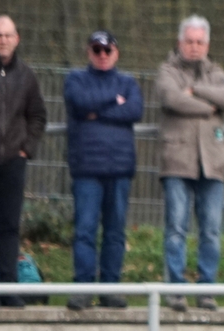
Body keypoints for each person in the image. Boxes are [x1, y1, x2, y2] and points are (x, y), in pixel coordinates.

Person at [156, 15, 224, 312]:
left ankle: (206, 290)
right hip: (177, 161)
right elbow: (171, 99)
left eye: (200, 42)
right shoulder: (167, 71)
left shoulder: (216, 71)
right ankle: (175, 291)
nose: (194, 46)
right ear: (180, 42)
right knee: (176, 228)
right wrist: (209, 108)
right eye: (190, 41)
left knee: (211, 231)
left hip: (212, 162)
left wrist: (196, 91)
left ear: (207, 44)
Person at [63, 31, 144, 311]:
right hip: (86, 168)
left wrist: (96, 112)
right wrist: (114, 101)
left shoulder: (128, 83)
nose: (102, 55)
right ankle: (83, 290)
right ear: (89, 52)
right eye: (97, 49)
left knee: (115, 232)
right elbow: (80, 103)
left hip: (119, 168)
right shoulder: (75, 79)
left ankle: (110, 289)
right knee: (84, 230)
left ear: (116, 53)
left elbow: (134, 110)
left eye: (107, 50)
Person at [0, 15, 46, 308]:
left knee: (10, 227)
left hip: (14, 161)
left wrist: (27, 148)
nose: (3, 40)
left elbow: (38, 116)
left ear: (17, 39)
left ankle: (8, 287)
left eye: (7, 35)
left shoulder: (27, 76)